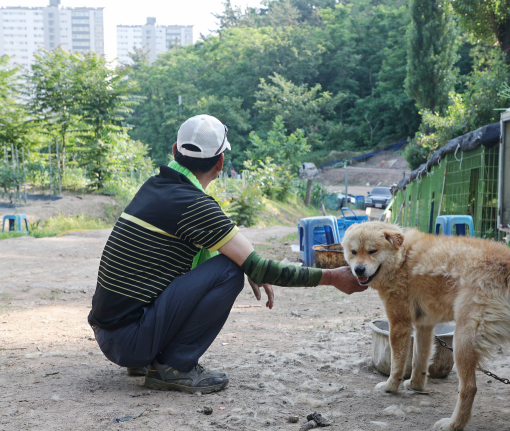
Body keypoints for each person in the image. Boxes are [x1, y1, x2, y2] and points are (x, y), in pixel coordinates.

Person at [88, 114, 366, 394]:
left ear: (175, 151)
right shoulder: (194, 204)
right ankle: (174, 365)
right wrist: (332, 277)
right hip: (129, 342)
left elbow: (237, 252)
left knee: (228, 262)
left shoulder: (154, 187)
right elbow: (257, 266)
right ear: (220, 163)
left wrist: (249, 262)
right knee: (231, 270)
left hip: (108, 333)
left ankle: (149, 357)